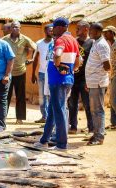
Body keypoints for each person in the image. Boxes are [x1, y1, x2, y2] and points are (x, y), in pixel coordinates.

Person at [34, 17, 80, 150]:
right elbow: (78, 62)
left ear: (60, 27)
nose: (53, 30)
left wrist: (58, 65)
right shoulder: (73, 40)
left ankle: (61, 144)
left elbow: (58, 53)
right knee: (53, 111)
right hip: (67, 80)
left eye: (54, 27)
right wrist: (70, 69)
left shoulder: (61, 39)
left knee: (59, 111)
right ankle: (44, 141)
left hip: (58, 81)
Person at [3, 21, 36, 124]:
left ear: (20, 28)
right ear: (10, 28)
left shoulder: (25, 39)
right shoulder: (4, 40)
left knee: (20, 96)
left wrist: (32, 59)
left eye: (17, 27)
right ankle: (2, 117)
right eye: (13, 27)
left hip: (21, 71)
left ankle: (20, 118)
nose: (14, 29)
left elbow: (35, 47)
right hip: (8, 72)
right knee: (6, 95)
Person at [85, 23, 111, 145]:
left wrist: (96, 76)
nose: (89, 32)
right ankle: (96, 134)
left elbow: (107, 66)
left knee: (98, 110)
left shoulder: (101, 45)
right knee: (93, 109)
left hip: (98, 82)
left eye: (91, 31)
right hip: (93, 82)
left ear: (98, 32)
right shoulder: (96, 42)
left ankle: (99, 136)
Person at [68, 21, 94, 134]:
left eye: (79, 28)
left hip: (86, 78)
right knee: (72, 103)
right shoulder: (74, 41)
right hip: (74, 76)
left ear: (86, 29)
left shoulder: (92, 43)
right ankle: (73, 126)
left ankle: (91, 127)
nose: (76, 30)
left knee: (88, 104)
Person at [31, 24, 54, 123]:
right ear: (45, 31)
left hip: (52, 73)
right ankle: (44, 116)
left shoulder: (56, 43)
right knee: (42, 96)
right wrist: (33, 73)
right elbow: (35, 58)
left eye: (53, 30)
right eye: (49, 30)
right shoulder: (39, 43)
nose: (51, 32)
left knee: (51, 95)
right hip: (41, 73)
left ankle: (51, 118)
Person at [103, 25, 116, 129]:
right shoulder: (109, 45)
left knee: (113, 99)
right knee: (112, 98)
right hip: (112, 74)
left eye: (107, 32)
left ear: (113, 33)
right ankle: (114, 122)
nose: (104, 34)